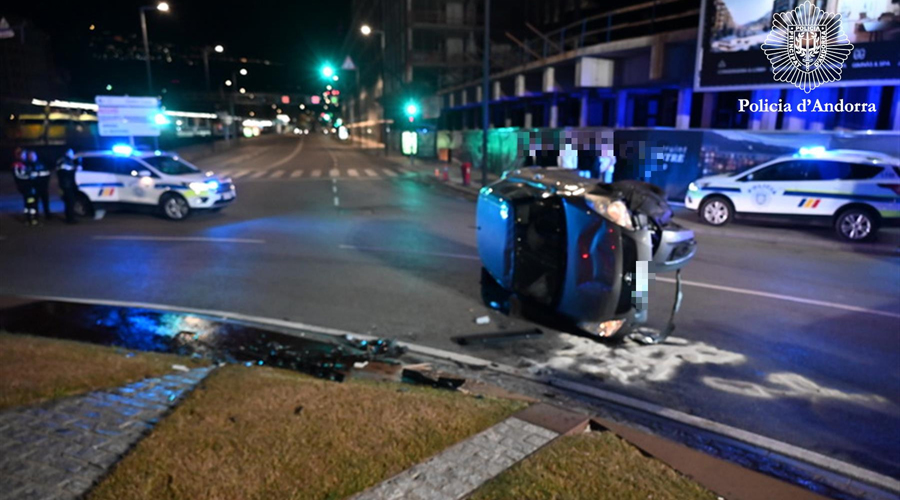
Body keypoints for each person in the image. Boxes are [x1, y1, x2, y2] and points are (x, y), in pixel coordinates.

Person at [12, 149, 38, 225]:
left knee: (30, 202)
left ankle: (30, 217)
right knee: (29, 201)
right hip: (24, 186)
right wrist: (29, 176)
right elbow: (18, 176)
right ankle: (30, 218)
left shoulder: (27, 164)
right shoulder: (17, 165)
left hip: (29, 186)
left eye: (25, 155)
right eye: (22, 155)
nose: (24, 156)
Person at [56, 148, 80, 224]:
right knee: (70, 202)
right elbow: (65, 173)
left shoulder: (68, 161)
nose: (72, 154)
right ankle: (70, 219)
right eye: (71, 152)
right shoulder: (63, 161)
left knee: (70, 202)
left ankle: (70, 217)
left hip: (69, 184)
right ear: (66, 153)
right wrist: (76, 169)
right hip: (67, 185)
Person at [28, 150, 52, 219]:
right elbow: (28, 177)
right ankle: (36, 216)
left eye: (33, 155)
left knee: (46, 202)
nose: (32, 157)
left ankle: (47, 215)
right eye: (30, 156)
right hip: (34, 188)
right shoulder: (28, 165)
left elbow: (47, 174)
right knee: (35, 203)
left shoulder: (41, 164)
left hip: (43, 187)